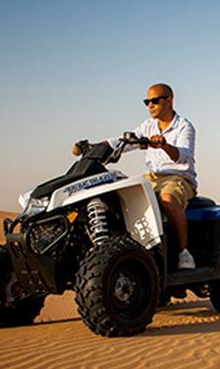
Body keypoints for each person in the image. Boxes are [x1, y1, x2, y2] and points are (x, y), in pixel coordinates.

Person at [75, 83, 198, 269]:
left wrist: (163, 145)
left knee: (167, 199)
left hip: (177, 177)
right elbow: (123, 142)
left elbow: (182, 155)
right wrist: (92, 147)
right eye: (147, 102)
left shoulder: (184, 127)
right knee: (121, 197)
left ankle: (184, 253)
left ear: (169, 100)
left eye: (155, 101)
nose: (150, 105)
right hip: (151, 177)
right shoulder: (147, 126)